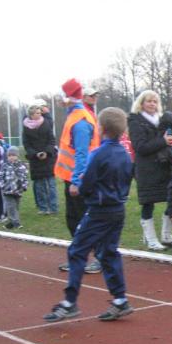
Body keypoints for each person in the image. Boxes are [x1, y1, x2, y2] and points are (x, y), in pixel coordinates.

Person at [43, 107, 135, 322]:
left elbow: (87, 183)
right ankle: (120, 299)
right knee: (108, 252)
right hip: (117, 209)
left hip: (99, 211)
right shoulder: (125, 154)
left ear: (101, 128)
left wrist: (79, 188)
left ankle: (70, 302)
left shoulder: (99, 154)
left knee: (77, 251)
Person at [55, 78, 102, 273]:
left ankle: (99, 257)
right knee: (74, 219)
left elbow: (82, 154)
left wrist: (76, 181)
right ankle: (79, 257)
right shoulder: (75, 115)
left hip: (80, 179)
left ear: (69, 97)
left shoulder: (80, 121)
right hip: (73, 177)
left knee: (84, 219)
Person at [127, 90, 172, 251]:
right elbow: (140, 147)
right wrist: (163, 141)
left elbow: (165, 141)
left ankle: (166, 235)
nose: (152, 104)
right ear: (141, 103)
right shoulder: (135, 121)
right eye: (149, 101)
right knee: (148, 203)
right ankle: (150, 239)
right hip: (146, 168)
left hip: (164, 166)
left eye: (155, 101)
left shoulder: (162, 120)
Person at [22, 102, 58, 215]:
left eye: (40, 112)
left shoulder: (46, 123)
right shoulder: (25, 128)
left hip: (49, 158)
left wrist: (47, 152)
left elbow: (52, 140)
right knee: (39, 186)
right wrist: (36, 154)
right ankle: (43, 208)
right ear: (31, 115)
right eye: (37, 113)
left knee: (51, 185)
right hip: (35, 160)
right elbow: (26, 144)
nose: (39, 114)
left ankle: (53, 207)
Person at [0, 145, 29, 230]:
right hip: (7, 191)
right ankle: (17, 223)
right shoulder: (4, 165)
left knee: (16, 207)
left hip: (18, 191)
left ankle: (10, 224)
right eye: (9, 155)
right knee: (11, 207)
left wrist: (24, 186)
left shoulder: (22, 166)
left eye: (13, 155)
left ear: (17, 156)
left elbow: (25, 177)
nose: (11, 157)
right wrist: (3, 186)